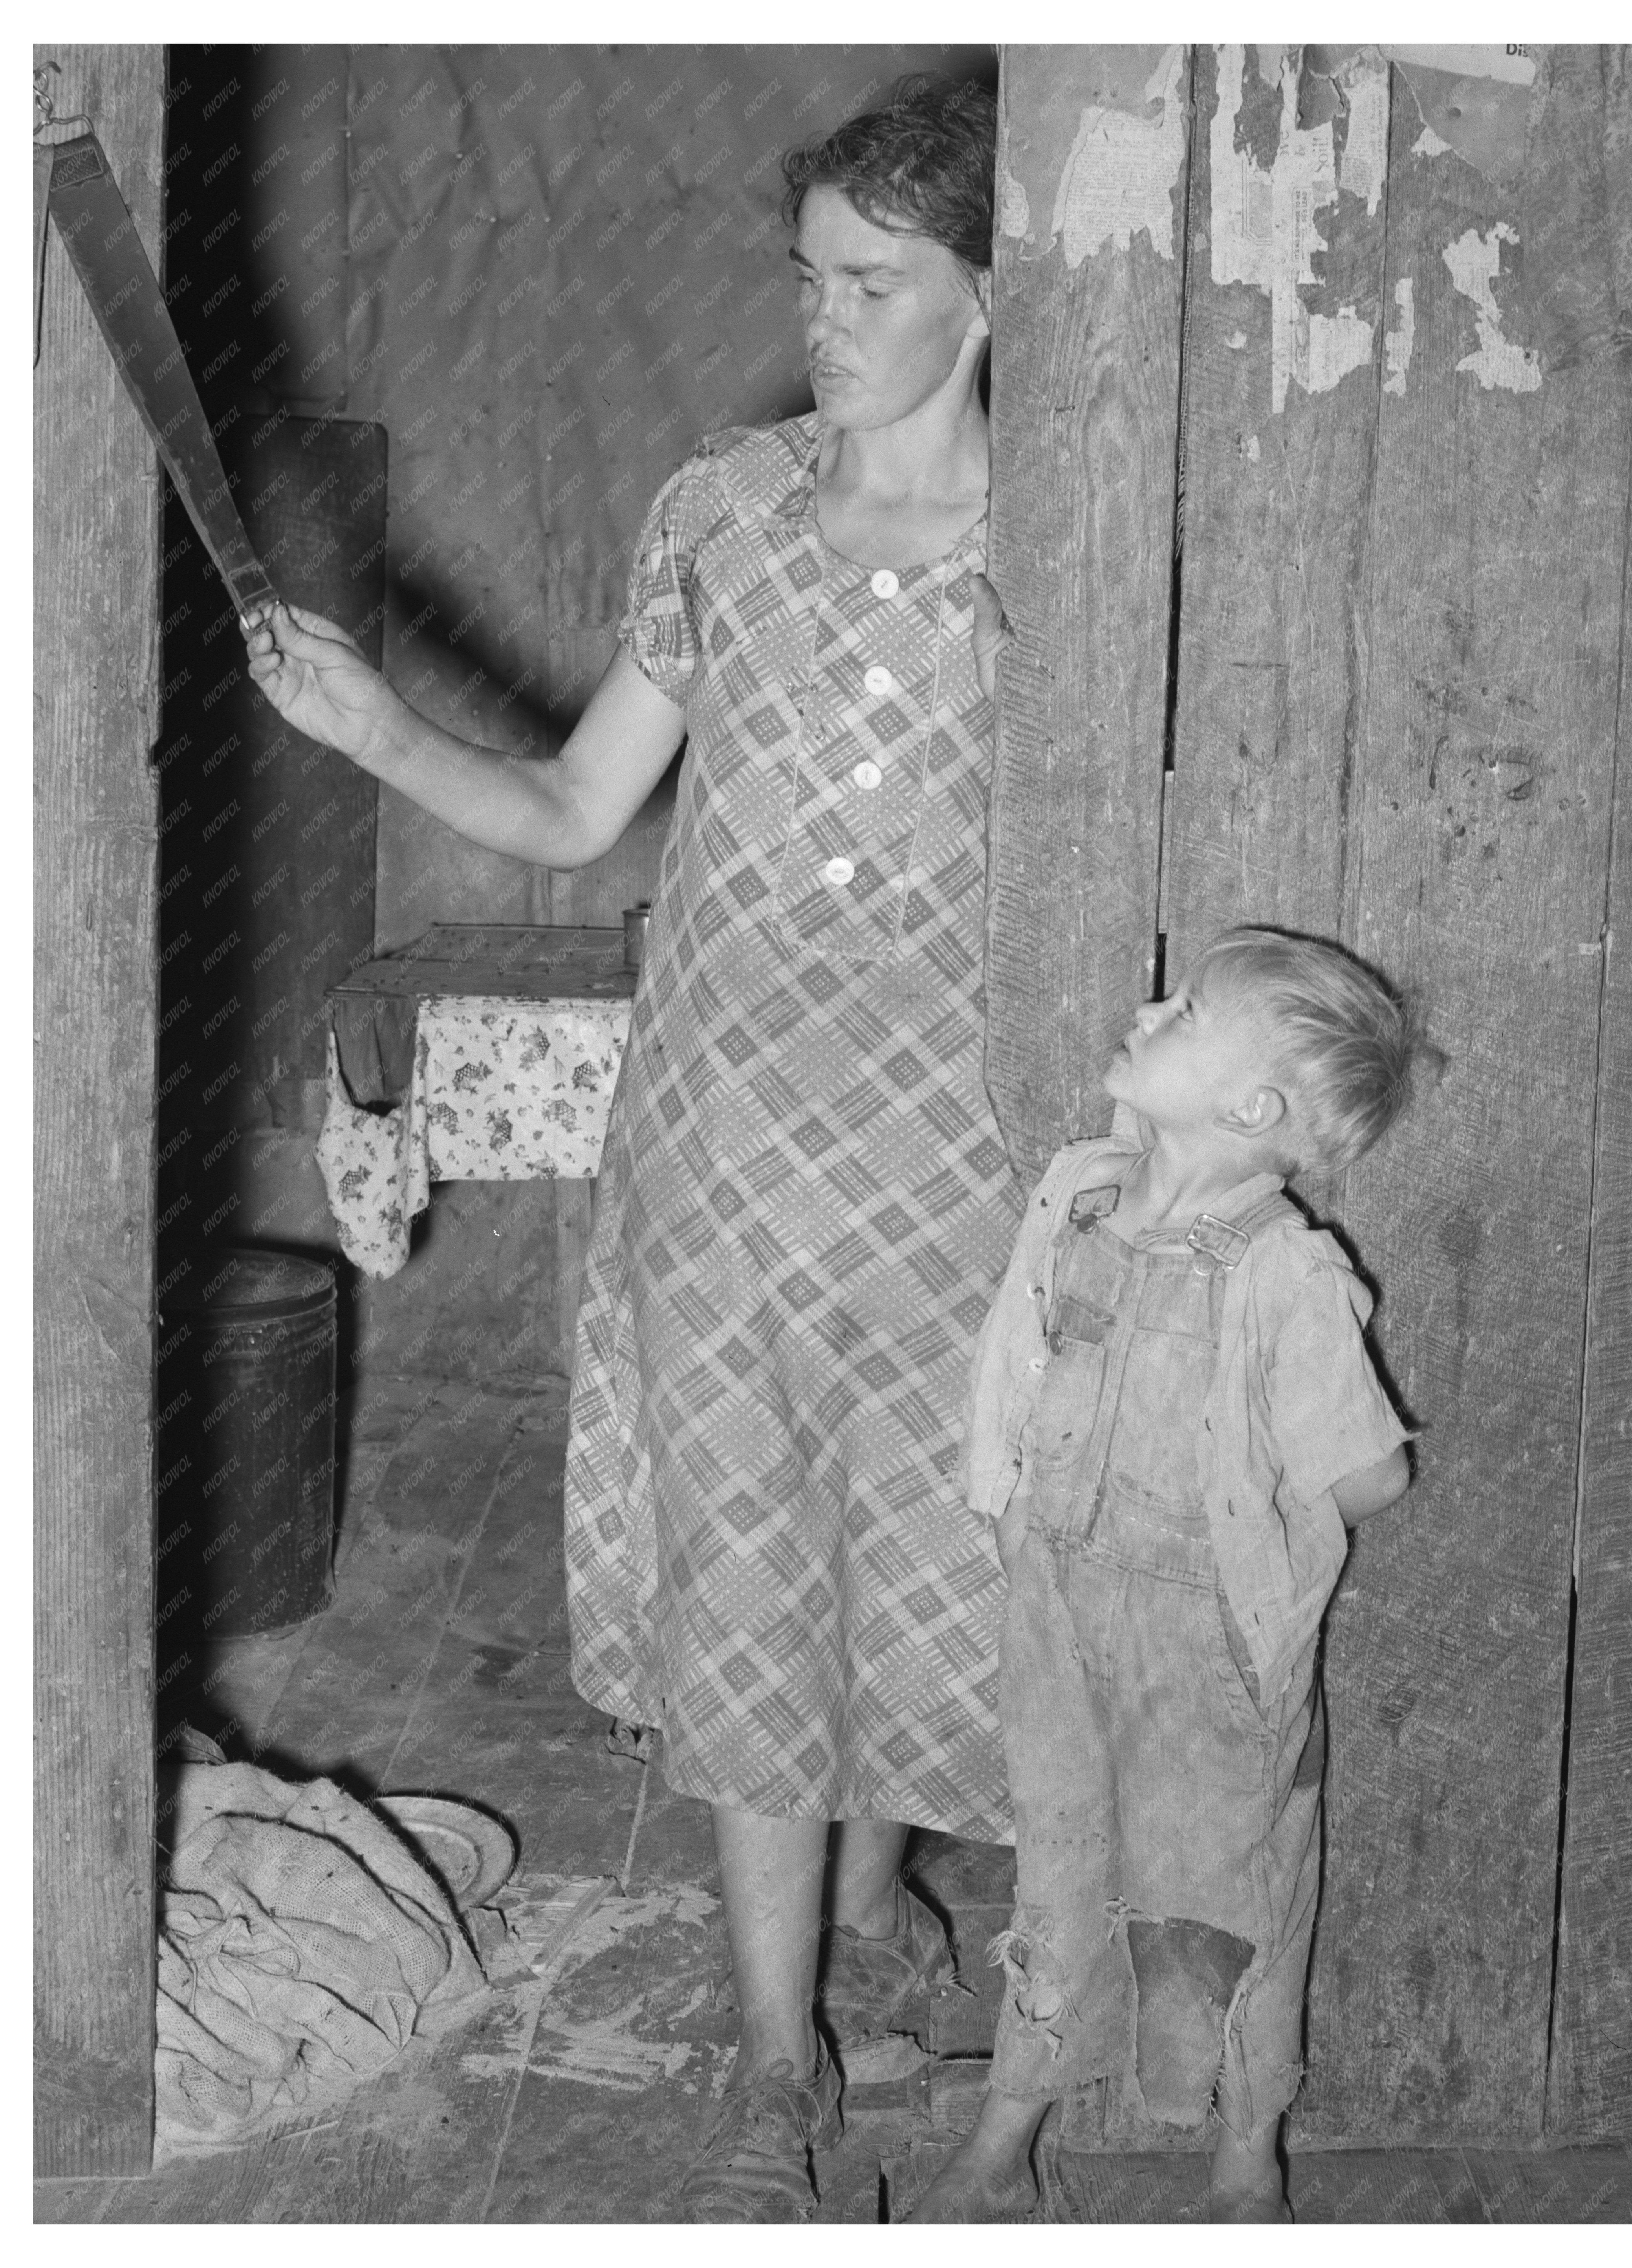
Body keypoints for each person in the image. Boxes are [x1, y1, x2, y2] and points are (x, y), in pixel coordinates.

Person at [243, 74, 1024, 2223]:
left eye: (877, 285)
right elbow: (586, 813)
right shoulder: (722, 515)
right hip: (726, 1138)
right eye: (810, 277)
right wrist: (378, 725)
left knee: (934, 1536)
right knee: (761, 1563)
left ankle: (874, 1902)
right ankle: (775, 2064)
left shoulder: (1060, 541)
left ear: (989, 296)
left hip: (962, 1148)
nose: (826, 320)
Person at [911, 927, 1420, 2225]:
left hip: (1210, 1647)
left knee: (1224, 1892)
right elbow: (1015, 1375)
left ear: (1252, 1109)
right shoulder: (1079, 1196)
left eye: (1184, 1009)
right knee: (1060, 1862)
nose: (1145, 1009)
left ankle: (1246, 2161)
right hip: (1059, 1604)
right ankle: (1005, 2139)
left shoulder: (1285, 1274)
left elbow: (1369, 1477)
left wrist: (1262, 1456)